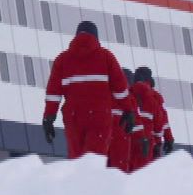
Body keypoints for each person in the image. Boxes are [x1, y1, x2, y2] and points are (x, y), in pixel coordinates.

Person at [42, 21, 137, 161]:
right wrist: (128, 110)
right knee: (94, 162)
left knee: (77, 161)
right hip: (99, 116)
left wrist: (48, 117)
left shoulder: (62, 60)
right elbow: (120, 88)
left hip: (74, 117)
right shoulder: (106, 57)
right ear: (96, 38)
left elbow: (53, 93)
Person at [128, 66, 167, 170]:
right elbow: (160, 121)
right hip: (147, 141)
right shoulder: (154, 96)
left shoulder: (128, 93)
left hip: (129, 137)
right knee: (144, 174)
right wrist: (158, 142)